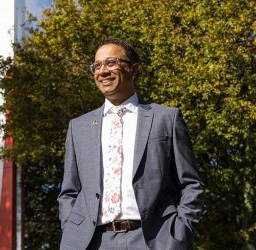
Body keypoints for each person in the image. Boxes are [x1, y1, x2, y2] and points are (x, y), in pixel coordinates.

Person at [58, 39, 204, 250]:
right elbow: (69, 192)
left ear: (133, 69)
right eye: (97, 66)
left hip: (153, 240)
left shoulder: (166, 119)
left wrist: (179, 234)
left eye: (111, 63)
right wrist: (71, 228)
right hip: (91, 242)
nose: (103, 71)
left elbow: (191, 184)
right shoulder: (78, 127)